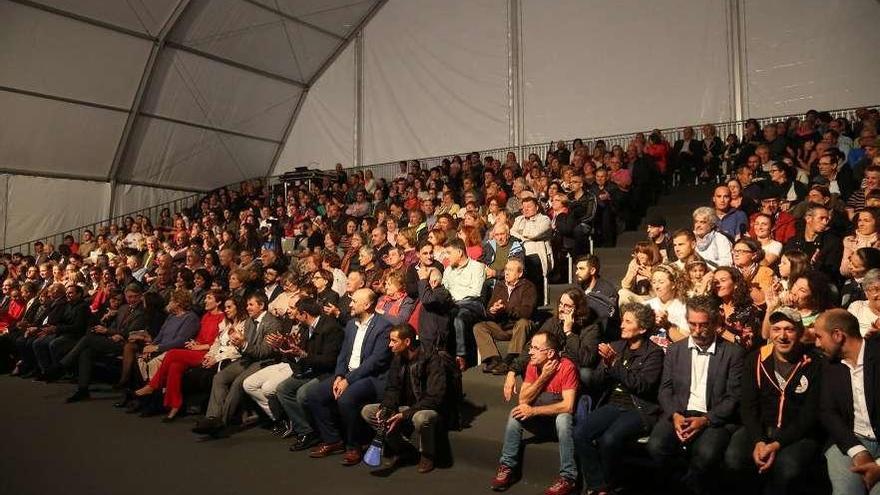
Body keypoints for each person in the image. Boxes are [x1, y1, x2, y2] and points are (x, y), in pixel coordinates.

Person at [647, 295, 744, 494]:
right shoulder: (675, 350)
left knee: (706, 455)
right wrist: (675, 415)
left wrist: (706, 420)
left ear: (716, 323)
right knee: (656, 446)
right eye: (692, 324)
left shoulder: (733, 353)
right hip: (680, 413)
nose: (698, 331)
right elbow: (665, 389)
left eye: (704, 325)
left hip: (714, 418)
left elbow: (733, 397)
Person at [724, 307, 825, 495]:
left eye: (789, 329)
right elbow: (748, 406)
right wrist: (759, 441)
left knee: (788, 468)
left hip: (797, 433)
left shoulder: (814, 363)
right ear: (770, 333)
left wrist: (777, 443)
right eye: (776, 329)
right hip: (760, 429)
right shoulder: (756, 358)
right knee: (734, 458)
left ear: (800, 332)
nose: (782, 336)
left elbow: (810, 414)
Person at [574, 303, 664, 494]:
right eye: (622, 320)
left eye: (628, 321)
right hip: (613, 404)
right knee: (580, 432)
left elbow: (642, 385)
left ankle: (609, 484)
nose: (622, 325)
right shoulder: (615, 346)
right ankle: (599, 485)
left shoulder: (654, 353)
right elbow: (597, 381)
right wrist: (606, 366)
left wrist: (614, 364)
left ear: (642, 328)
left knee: (609, 439)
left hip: (638, 408)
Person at [306, 288, 392, 466]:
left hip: (371, 377)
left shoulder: (384, 326)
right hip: (348, 374)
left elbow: (375, 362)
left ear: (367, 305)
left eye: (354, 302)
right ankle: (333, 440)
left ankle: (355, 446)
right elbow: (343, 355)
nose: (350, 304)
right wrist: (339, 376)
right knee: (315, 394)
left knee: (346, 399)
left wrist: (348, 380)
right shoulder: (351, 325)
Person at [491, 331, 579, 495]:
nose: (530, 352)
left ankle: (568, 477)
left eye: (536, 348)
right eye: (531, 347)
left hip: (559, 427)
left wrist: (534, 410)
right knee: (515, 413)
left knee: (564, 419)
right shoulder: (533, 365)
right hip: (541, 422)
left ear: (550, 353)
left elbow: (568, 406)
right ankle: (507, 466)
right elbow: (523, 400)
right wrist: (544, 376)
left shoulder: (567, 367)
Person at [192, 292, 283, 435]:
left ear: (262, 306)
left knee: (238, 382)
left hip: (264, 362)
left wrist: (243, 344)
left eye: (251, 305)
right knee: (219, 378)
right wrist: (238, 343)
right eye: (247, 305)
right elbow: (245, 347)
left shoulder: (272, 323)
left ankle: (222, 421)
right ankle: (212, 417)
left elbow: (265, 352)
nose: (247, 308)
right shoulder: (249, 322)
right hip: (247, 359)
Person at [362, 324, 448, 474]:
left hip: (428, 408)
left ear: (407, 342)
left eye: (394, 341)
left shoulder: (432, 358)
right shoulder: (398, 358)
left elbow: (434, 397)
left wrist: (404, 415)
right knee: (368, 411)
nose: (390, 345)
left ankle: (427, 454)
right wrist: (386, 407)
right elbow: (392, 388)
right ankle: (404, 449)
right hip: (406, 407)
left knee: (421, 418)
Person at [815, 309, 880, 495]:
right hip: (849, 438)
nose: (817, 343)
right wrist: (857, 451)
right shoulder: (830, 365)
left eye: (819, 337)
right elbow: (827, 412)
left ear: (837, 335)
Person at [132, 290, 225, 420]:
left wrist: (200, 346)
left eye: (209, 298)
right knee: (175, 366)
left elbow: (219, 341)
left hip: (209, 353)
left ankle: (152, 386)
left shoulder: (223, 318)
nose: (205, 300)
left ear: (218, 302)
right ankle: (175, 406)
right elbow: (199, 337)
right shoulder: (206, 316)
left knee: (172, 353)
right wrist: (194, 342)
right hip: (196, 349)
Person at [51, 284, 146, 402]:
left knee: (88, 339)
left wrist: (109, 332)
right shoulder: (123, 308)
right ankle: (83, 390)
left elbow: (132, 332)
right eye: (129, 297)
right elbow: (116, 326)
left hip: (127, 344)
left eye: (135, 297)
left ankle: (63, 365)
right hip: (113, 339)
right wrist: (108, 330)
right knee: (86, 351)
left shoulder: (143, 311)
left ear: (141, 296)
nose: (132, 299)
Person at [277, 297, 344, 451]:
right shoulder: (306, 328)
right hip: (312, 370)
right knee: (283, 389)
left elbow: (329, 361)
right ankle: (306, 431)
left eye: (297, 313)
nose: (294, 316)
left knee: (303, 393)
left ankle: (319, 433)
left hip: (329, 373)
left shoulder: (330, 328)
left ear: (305, 314)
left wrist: (303, 355)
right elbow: (300, 358)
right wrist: (288, 350)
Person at [473, 259, 537, 375]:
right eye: (506, 269)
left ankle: (511, 359)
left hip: (518, 328)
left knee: (523, 323)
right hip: (502, 326)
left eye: (511, 270)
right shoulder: (500, 285)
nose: (506, 273)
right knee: (479, 326)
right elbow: (489, 310)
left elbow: (526, 312)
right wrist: (493, 310)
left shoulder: (528, 287)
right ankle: (493, 359)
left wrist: (506, 308)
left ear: (520, 273)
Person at [442, 238, 486, 370]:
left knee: (458, 318)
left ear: (460, 252)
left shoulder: (477, 267)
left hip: (472, 305)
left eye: (449, 253)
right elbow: (444, 290)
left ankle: (461, 356)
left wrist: (454, 297)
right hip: (454, 305)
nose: (446, 257)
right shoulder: (448, 270)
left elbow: (475, 292)